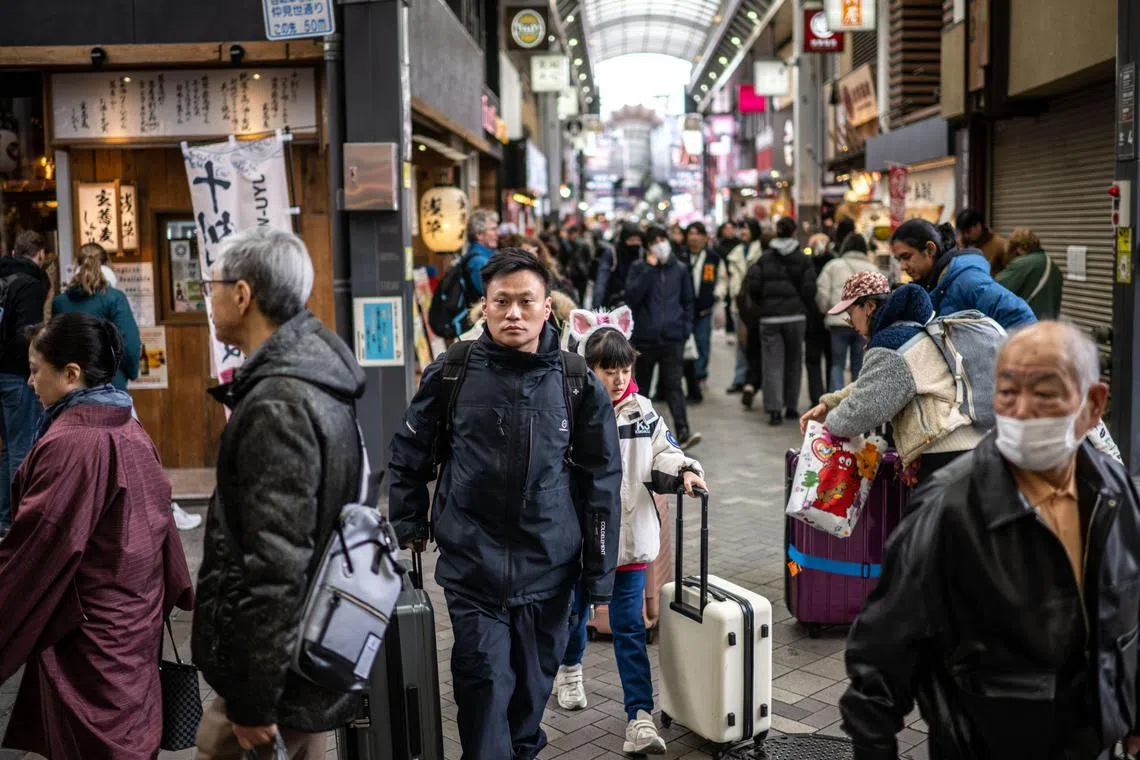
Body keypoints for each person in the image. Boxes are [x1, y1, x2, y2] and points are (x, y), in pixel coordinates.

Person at [840, 321, 1140, 760]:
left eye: (1044, 393)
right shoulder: (948, 507)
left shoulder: (1112, 488)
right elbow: (881, 652)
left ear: (1094, 404)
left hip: (1095, 741)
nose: (1021, 410)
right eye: (1008, 391)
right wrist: (873, 747)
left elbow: (1130, 609)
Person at [388, 249, 622, 760]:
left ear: (547, 307)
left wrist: (599, 573)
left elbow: (603, 480)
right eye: (501, 302)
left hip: (550, 569)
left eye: (526, 301)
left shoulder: (575, 380)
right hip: (473, 567)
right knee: (483, 687)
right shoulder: (452, 371)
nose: (513, 313)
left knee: (530, 696)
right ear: (485, 306)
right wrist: (409, 520)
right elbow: (409, 450)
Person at [192, 227, 367, 759]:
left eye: (211, 286)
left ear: (242, 294)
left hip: (276, 677)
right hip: (302, 655)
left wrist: (253, 700)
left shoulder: (279, 402)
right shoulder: (311, 374)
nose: (209, 299)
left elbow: (276, 564)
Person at [0, 311, 194, 758]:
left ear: (71, 374)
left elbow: (38, 547)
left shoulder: (75, 443)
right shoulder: (126, 422)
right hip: (133, 617)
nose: (30, 382)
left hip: (90, 628)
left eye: (35, 370)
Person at [555, 315, 707, 755]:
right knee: (572, 615)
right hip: (579, 542)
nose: (619, 379)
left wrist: (685, 471)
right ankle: (570, 669)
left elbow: (664, 451)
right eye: (609, 370)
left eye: (625, 369)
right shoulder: (567, 409)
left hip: (628, 541)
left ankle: (639, 717)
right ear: (589, 368)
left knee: (630, 628)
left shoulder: (643, 411)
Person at [799, 273, 987, 485]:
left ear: (869, 307)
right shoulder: (907, 332)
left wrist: (824, 430)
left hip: (944, 453)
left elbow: (863, 410)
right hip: (958, 447)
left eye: (850, 314)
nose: (850, 323)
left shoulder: (892, 344)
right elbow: (873, 382)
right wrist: (831, 402)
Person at [625, 227, 702, 449]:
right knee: (642, 388)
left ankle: (683, 431)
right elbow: (632, 298)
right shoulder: (639, 268)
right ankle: (640, 434)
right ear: (647, 246)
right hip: (646, 339)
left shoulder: (680, 269)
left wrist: (685, 328)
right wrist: (649, 269)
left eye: (662, 239)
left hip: (673, 338)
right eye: (654, 241)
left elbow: (688, 301)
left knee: (674, 386)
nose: (659, 244)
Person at [890, 218, 1035, 330]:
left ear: (930, 249)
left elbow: (1020, 317)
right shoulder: (934, 282)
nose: (902, 266)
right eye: (898, 260)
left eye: (906, 257)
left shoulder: (967, 280)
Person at [0, 230, 50, 537]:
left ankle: (5, 519)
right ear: (40, 254)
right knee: (21, 448)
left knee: (6, 450)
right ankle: (21, 522)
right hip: (15, 376)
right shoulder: (30, 284)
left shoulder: (3, 276)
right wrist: (33, 371)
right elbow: (27, 335)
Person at [746, 216, 817, 426]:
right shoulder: (803, 259)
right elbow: (809, 289)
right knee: (794, 361)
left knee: (772, 363)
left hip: (770, 318)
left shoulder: (764, 258)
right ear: (794, 232)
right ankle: (791, 407)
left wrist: (764, 305)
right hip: (796, 317)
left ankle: (775, 410)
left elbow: (753, 286)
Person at [51, 243, 141, 392]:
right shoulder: (115, 299)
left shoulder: (60, 303)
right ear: (107, 265)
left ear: (76, 265)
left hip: (71, 386)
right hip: (110, 385)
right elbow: (129, 344)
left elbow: (53, 347)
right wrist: (132, 372)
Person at [816, 234, 880, 391]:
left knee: (837, 364)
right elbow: (879, 297)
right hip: (864, 323)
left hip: (837, 322)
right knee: (859, 364)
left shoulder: (833, 266)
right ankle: (856, 398)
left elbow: (822, 292)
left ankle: (834, 400)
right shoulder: (872, 269)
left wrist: (826, 311)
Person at [682, 221, 723, 404]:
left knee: (702, 344)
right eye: (691, 233)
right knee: (686, 347)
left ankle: (699, 376)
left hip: (704, 310)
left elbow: (721, 280)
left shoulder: (713, 258)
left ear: (705, 237)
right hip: (685, 310)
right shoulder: (681, 256)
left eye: (698, 233)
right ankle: (690, 379)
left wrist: (717, 295)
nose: (694, 237)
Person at [725, 219, 764, 394]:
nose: (742, 232)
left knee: (755, 343)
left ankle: (754, 378)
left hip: (756, 305)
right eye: (741, 228)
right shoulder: (736, 252)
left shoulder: (761, 251)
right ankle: (740, 379)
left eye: (746, 228)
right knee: (741, 343)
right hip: (739, 304)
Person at [996, 227, 1064, 320]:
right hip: (1048, 325)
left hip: (1026, 323)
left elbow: (995, 290)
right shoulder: (1054, 267)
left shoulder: (1022, 264)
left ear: (1018, 249)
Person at [804, 233, 836, 408]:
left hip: (813, 319)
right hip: (831, 317)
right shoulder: (835, 262)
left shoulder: (807, 263)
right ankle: (829, 397)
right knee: (832, 359)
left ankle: (817, 397)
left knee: (813, 360)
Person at [593, 223, 644, 309]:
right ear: (623, 240)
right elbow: (601, 281)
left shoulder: (642, 254)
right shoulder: (612, 254)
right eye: (631, 240)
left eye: (638, 240)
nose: (635, 243)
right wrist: (597, 306)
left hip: (636, 303)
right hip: (613, 301)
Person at [955, 207, 1010, 276]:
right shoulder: (957, 245)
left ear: (978, 226)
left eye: (968, 231)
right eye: (962, 232)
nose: (965, 235)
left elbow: (1009, 273)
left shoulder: (1000, 245)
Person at [465, 208, 500, 298]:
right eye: (493, 229)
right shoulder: (479, 262)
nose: (498, 233)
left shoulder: (486, 256)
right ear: (479, 235)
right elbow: (492, 296)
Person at [559, 223, 593, 304]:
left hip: (582, 274)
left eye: (575, 233)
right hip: (570, 275)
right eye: (572, 233)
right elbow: (562, 260)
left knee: (582, 297)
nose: (574, 235)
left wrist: (586, 269)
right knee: (571, 297)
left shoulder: (583, 245)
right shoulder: (565, 245)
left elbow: (588, 258)